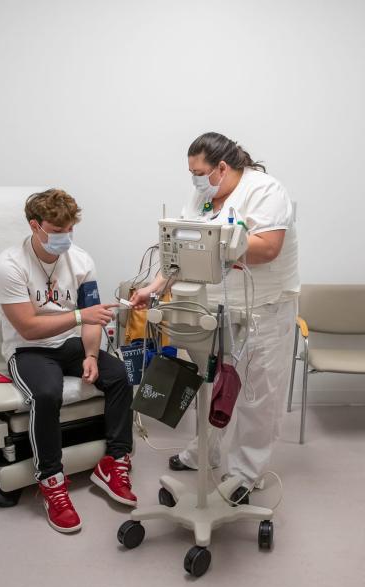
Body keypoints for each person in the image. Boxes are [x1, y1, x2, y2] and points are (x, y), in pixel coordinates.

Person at [131, 132, 300, 504]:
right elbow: (180, 249)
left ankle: (246, 471)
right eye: (191, 173)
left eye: (200, 172)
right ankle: (205, 450)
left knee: (257, 394)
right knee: (213, 384)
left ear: (222, 167)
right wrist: (155, 287)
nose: (195, 179)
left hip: (264, 308)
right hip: (213, 308)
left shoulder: (266, 191)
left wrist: (216, 241)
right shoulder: (203, 195)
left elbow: (269, 247)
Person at [0, 188, 135, 534]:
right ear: (35, 226)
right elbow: (27, 328)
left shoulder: (81, 261)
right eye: (57, 233)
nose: (65, 239)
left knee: (118, 374)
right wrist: (77, 317)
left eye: (70, 230)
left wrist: (89, 354)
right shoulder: (10, 265)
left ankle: (114, 460)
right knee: (46, 393)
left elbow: (92, 318)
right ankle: (51, 480)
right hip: (29, 351)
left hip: (70, 345)